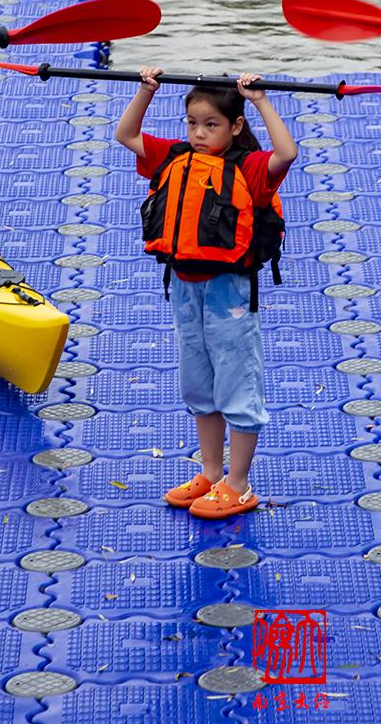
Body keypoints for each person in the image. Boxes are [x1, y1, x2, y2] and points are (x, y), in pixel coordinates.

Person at [115, 70, 295, 519]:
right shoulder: (172, 156)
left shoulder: (250, 168)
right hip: (184, 287)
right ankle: (211, 473)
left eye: (211, 124)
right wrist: (146, 90)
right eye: (192, 123)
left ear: (233, 127)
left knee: (237, 383)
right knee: (199, 384)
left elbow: (287, 153)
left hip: (228, 292)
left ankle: (239, 483)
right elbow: (126, 133)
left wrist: (259, 101)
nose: (198, 133)